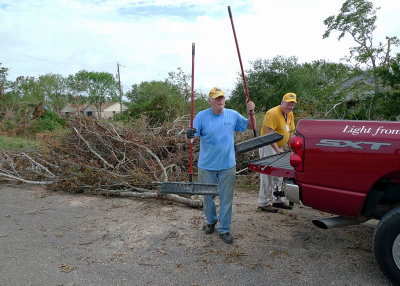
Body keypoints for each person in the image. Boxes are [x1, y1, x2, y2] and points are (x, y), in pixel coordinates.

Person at [186, 87, 255, 244]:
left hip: (227, 164)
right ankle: (211, 221)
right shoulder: (201, 116)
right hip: (206, 165)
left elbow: (250, 126)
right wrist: (189, 134)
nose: (220, 100)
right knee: (207, 196)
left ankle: (224, 229)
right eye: (217, 98)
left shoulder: (232, 114)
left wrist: (251, 112)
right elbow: (192, 136)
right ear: (210, 101)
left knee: (226, 199)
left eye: (222, 98)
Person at [257, 92, 297, 213]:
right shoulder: (273, 113)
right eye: (288, 104)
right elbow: (269, 135)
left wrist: (291, 146)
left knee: (279, 174)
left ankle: (277, 200)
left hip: (280, 146)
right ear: (282, 102)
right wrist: (277, 150)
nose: (290, 107)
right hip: (268, 145)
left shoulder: (290, 114)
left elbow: (289, 132)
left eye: (292, 105)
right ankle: (263, 203)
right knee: (267, 174)